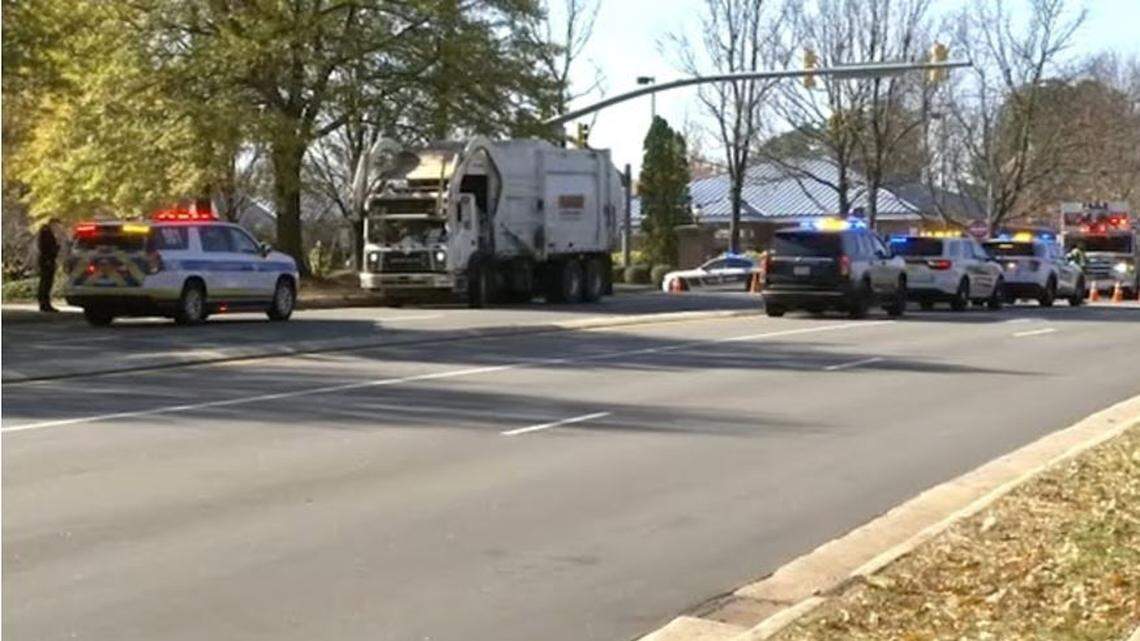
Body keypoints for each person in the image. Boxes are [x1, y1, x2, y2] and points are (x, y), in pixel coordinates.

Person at [36, 218, 62, 312]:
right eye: (57, 225)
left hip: (48, 259)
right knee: (46, 282)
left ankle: (45, 303)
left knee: (46, 282)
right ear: (53, 223)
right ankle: (44, 303)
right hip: (47, 260)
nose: (58, 228)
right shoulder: (46, 232)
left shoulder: (47, 231)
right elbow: (46, 247)